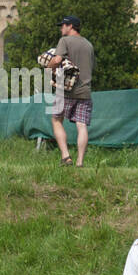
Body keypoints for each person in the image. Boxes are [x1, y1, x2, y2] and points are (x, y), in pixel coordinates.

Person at [46, 15, 94, 168]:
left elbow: (58, 59)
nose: (61, 28)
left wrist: (48, 67)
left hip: (65, 91)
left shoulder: (65, 41)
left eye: (63, 25)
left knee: (56, 120)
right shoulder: (88, 45)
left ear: (71, 26)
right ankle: (80, 162)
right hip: (85, 91)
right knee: (82, 125)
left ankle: (66, 156)